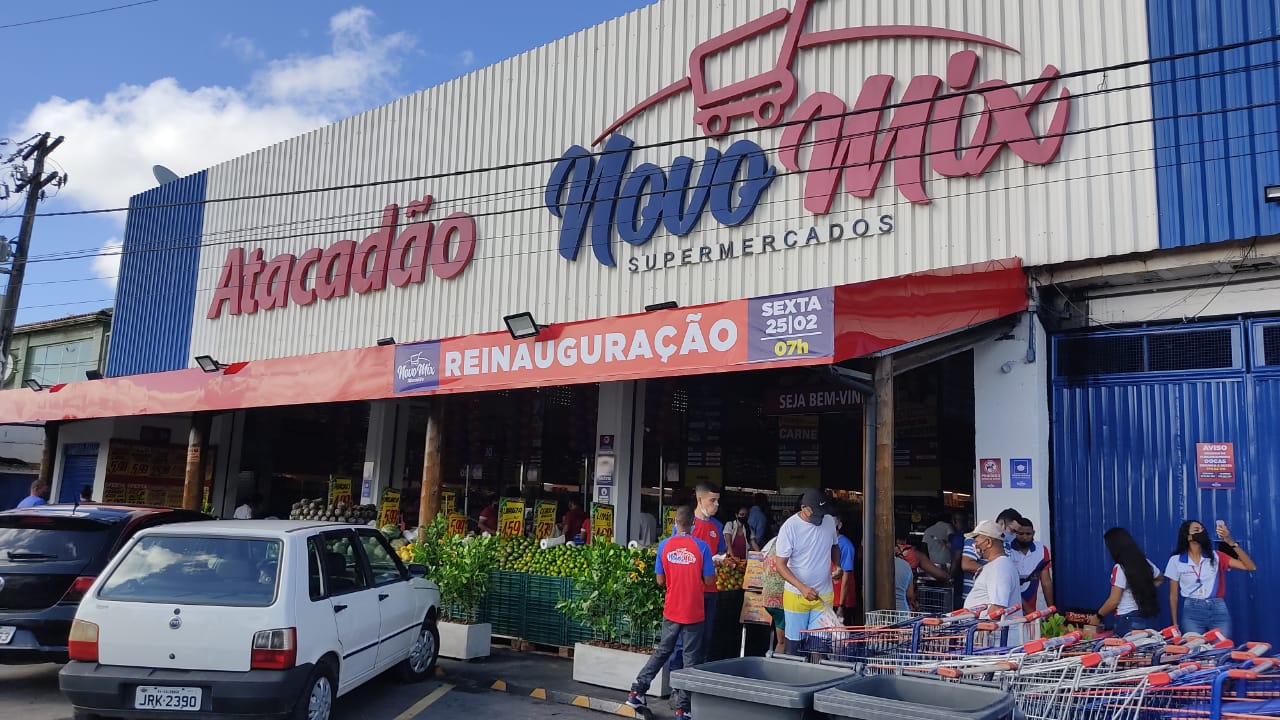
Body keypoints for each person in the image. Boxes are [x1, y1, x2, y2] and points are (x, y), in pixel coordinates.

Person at [624, 506, 713, 720]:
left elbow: (660, 580)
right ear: (693, 524)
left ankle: (637, 691)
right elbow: (710, 581)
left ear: (675, 522)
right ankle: (682, 709)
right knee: (690, 660)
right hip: (693, 611)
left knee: (663, 650)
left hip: (672, 609)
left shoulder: (664, 545)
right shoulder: (702, 547)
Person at [772, 488, 840, 654]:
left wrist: (837, 566)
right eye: (816, 514)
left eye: (822, 514)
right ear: (804, 508)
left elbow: (834, 546)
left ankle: (816, 670)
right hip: (796, 596)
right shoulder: (790, 527)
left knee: (819, 647)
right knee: (795, 647)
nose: (820, 518)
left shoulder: (828, 521)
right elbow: (780, 565)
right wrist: (802, 587)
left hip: (823, 595)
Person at [1166, 520, 1255, 639]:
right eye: (1196, 530)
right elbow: (1173, 595)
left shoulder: (1216, 556)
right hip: (1192, 611)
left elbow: (1250, 567)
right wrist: (1174, 623)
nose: (1201, 532)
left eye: (1202, 530)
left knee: (1222, 647)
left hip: (1218, 608)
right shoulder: (1176, 561)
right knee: (1195, 648)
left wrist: (1230, 541)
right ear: (1188, 537)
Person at [670, 482, 725, 670]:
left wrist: (719, 560)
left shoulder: (717, 526)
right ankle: (677, 679)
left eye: (717, 501)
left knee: (705, 638)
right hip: (688, 591)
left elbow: (722, 552)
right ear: (700, 500)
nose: (716, 505)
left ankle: (699, 677)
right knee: (682, 640)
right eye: (712, 500)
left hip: (710, 590)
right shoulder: (685, 524)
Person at [1088, 527, 1164, 636]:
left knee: (1127, 647)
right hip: (1149, 618)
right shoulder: (1145, 562)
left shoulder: (1120, 568)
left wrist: (1098, 616)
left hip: (1127, 620)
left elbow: (1114, 601)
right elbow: (1160, 578)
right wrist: (1145, 587)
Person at [963, 520, 1021, 615]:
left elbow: (997, 609)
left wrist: (977, 619)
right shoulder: (997, 565)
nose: (975, 546)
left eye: (976, 542)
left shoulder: (999, 567)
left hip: (991, 625)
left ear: (988, 542)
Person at [961, 508, 1021, 596]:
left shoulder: (1007, 544)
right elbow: (967, 564)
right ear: (1002, 524)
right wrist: (998, 573)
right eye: (1012, 531)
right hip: (975, 595)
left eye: (1017, 532)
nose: (1014, 535)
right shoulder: (975, 540)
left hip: (995, 595)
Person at [1009, 517, 1053, 613]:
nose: (1024, 537)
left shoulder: (1041, 550)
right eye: (1021, 534)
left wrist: (1050, 609)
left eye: (1028, 534)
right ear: (1015, 533)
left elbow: (1046, 582)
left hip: (1031, 607)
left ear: (1033, 533)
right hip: (1010, 607)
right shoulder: (1007, 550)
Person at [759, 535, 787, 655]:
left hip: (768, 598)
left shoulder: (772, 543)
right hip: (780, 599)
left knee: (781, 640)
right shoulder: (787, 545)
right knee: (784, 642)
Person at [832, 516, 857, 623]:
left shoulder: (846, 545)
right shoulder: (825, 542)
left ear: (839, 526)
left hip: (841, 601)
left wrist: (841, 605)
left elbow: (846, 577)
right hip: (828, 598)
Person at [894, 520, 918, 612]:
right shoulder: (909, 561)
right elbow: (910, 594)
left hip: (880, 613)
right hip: (903, 610)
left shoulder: (877, 563)